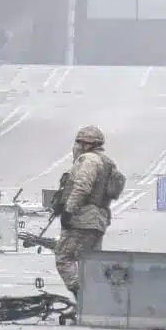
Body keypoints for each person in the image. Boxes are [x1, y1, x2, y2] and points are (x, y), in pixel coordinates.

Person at [55, 125, 125, 297]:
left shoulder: (89, 160)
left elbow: (82, 187)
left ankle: (83, 297)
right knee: (90, 263)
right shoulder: (106, 162)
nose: (75, 147)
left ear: (86, 144)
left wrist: (68, 211)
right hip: (98, 220)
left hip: (83, 219)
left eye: (78, 143)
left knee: (64, 257)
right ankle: (96, 300)